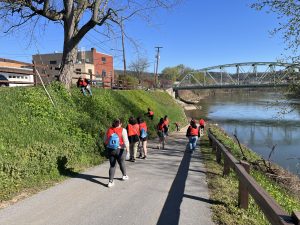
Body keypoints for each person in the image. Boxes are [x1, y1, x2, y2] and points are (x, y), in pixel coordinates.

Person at [104, 119, 129, 188]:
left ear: (114, 123)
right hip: (120, 149)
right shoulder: (123, 130)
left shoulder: (109, 130)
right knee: (122, 162)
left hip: (111, 150)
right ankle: (124, 176)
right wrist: (128, 150)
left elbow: (105, 141)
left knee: (112, 166)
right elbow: (126, 141)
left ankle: (110, 182)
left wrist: (108, 147)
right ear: (120, 124)